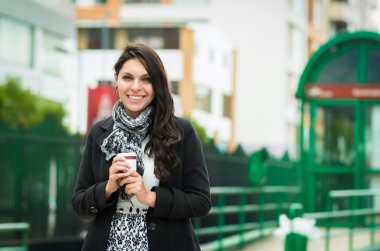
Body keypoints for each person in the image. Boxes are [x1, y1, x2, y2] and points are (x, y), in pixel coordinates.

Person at [72, 42, 211, 251]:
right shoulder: (99, 132)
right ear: (116, 80)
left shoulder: (182, 132)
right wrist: (108, 188)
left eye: (146, 79)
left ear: (157, 84)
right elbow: (79, 204)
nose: (136, 87)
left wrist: (151, 197)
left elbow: (201, 201)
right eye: (128, 77)